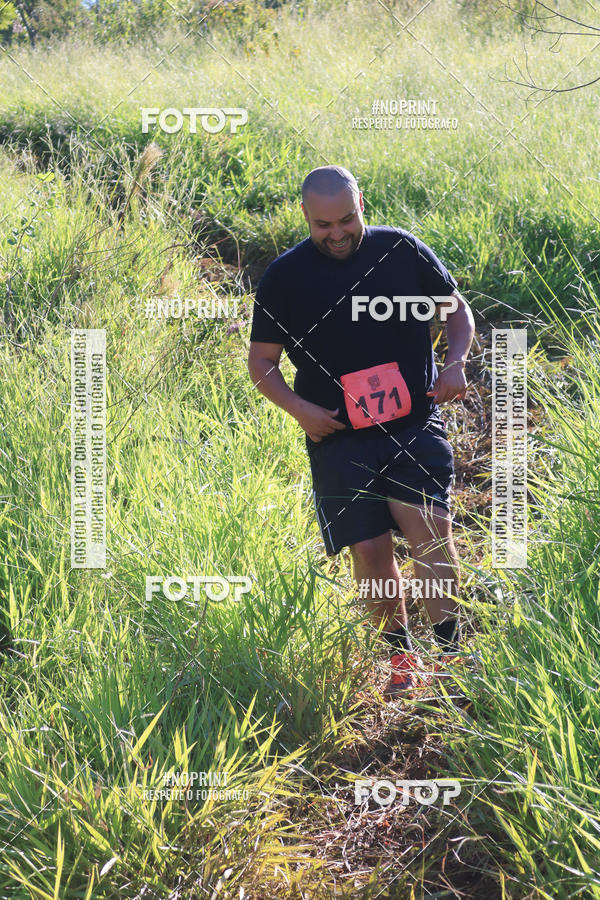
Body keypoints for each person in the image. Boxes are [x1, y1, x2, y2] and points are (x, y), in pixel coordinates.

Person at [247, 165, 475, 696]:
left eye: (347, 220)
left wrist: (456, 362)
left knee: (428, 530)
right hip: (338, 435)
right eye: (324, 224)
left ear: (361, 205)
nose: (337, 234)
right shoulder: (284, 277)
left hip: (411, 423)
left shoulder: (400, 251)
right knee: (370, 553)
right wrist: (299, 408)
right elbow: (262, 362)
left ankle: (450, 656)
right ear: (304, 214)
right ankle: (400, 661)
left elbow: (456, 312)